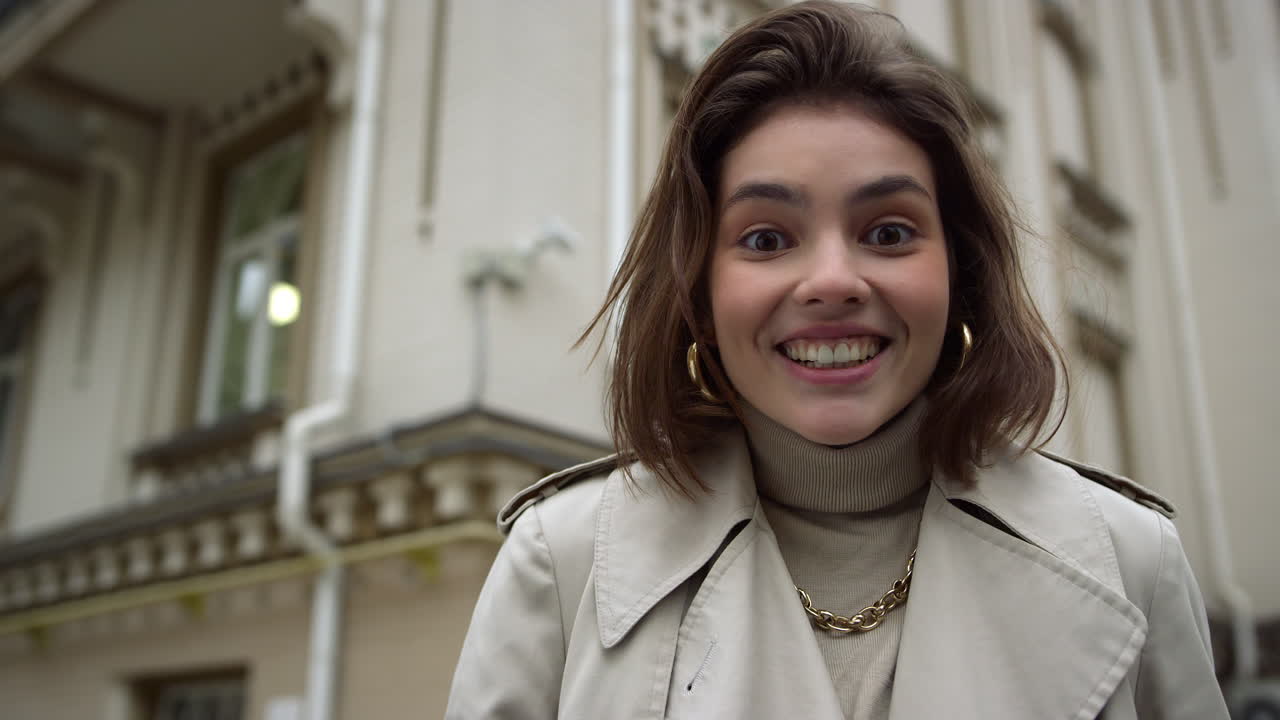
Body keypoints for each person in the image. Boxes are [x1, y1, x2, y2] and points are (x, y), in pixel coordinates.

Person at [446, 2, 1229, 718]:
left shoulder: (1130, 562)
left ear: (959, 274)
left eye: (888, 232)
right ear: (700, 293)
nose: (831, 282)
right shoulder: (563, 567)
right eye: (766, 238)